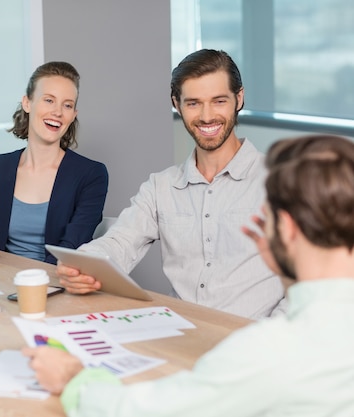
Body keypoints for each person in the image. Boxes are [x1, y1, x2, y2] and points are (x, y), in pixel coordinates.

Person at [23, 134, 354, 416]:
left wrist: (73, 378)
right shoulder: (163, 185)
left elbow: (146, 412)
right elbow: (122, 239)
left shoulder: (269, 352)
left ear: (286, 228)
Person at [59, 49, 284, 319]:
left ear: (239, 98)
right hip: (180, 335)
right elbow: (119, 242)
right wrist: (82, 265)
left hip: (254, 344)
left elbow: (313, 281)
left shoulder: (281, 182)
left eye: (219, 101)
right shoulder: (161, 187)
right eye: (193, 103)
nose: (207, 116)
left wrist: (272, 336)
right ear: (176, 103)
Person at [0, 61, 108, 266]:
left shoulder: (92, 175)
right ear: (27, 103)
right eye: (49, 100)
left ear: (73, 115)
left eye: (67, 105)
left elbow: (71, 249)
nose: (58, 112)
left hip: (54, 285)